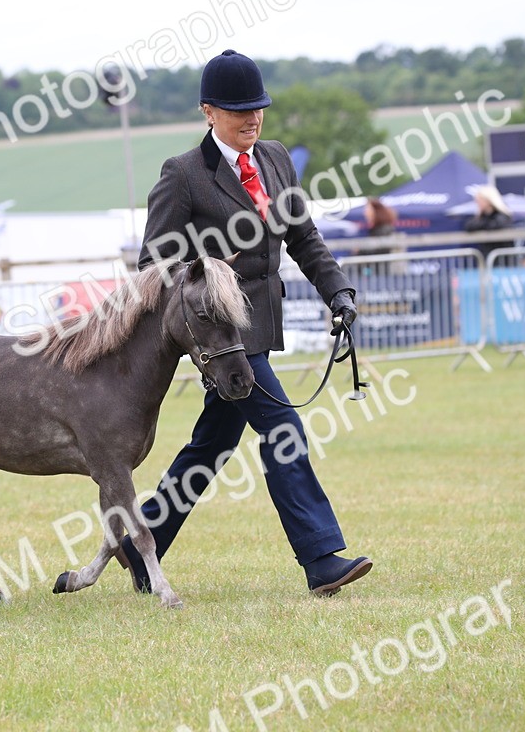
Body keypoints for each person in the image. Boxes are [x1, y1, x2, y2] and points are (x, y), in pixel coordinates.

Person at [117, 49, 372, 598]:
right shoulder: (183, 176)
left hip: (263, 327)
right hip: (222, 340)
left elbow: (303, 238)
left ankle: (142, 543)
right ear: (209, 112)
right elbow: (152, 268)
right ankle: (322, 558)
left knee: (212, 442)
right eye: (239, 111)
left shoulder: (276, 158)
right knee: (284, 431)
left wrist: (340, 293)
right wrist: (205, 278)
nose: (252, 119)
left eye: (258, 108)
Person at [464, 186, 513, 257]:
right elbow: (469, 226)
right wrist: (479, 216)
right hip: (488, 255)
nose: (477, 203)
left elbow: (495, 225)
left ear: (488, 200)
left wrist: (481, 222)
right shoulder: (482, 216)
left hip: (503, 257)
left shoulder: (502, 215)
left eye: (479, 200)